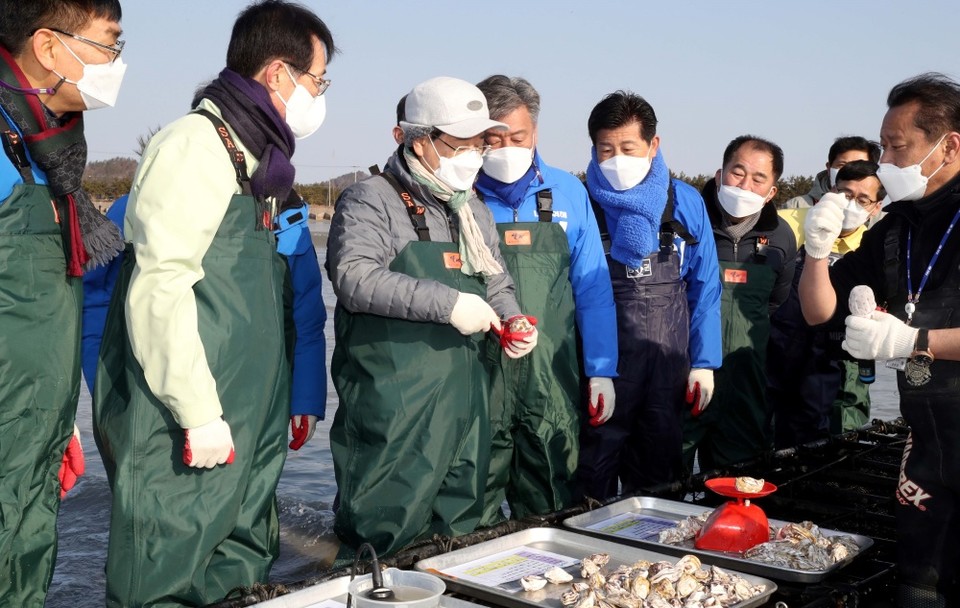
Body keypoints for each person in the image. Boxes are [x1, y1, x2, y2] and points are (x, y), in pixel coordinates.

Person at [92, 2, 336, 605]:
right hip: (186, 416)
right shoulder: (194, 147)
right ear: (279, 73)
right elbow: (160, 287)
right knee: (165, 568)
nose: (320, 95)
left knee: (242, 563)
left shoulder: (260, 163)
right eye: (318, 80)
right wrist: (197, 411)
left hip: (249, 412)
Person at [328, 76, 534, 558]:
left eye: (480, 145)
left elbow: (497, 282)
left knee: (460, 534)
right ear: (418, 141)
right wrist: (449, 304)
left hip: (466, 404)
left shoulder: (472, 209)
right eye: (462, 145)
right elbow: (354, 277)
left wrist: (513, 320)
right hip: (396, 411)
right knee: (384, 538)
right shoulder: (370, 199)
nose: (475, 156)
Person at [799, 72, 960, 607]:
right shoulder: (895, 227)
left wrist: (915, 340)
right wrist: (817, 250)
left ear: (948, 145)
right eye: (882, 146)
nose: (884, 160)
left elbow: (911, 339)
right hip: (928, 440)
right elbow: (819, 311)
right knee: (919, 585)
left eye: (897, 146)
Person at [0, 1, 126, 603]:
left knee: (25, 558)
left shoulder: (47, 153)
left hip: (33, 420)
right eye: (108, 44)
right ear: (50, 46)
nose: (116, 63)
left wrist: (58, 417)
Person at [472, 75, 617, 522]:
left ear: (535, 132)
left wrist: (602, 370)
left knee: (552, 495)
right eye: (494, 139)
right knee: (470, 494)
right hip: (477, 374)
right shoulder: (459, 196)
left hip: (551, 375)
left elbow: (593, 289)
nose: (506, 148)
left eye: (517, 137)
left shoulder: (569, 192)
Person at [578, 91, 722, 499]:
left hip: (666, 367)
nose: (616, 159)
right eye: (606, 149)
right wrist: (597, 371)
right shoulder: (582, 200)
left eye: (628, 148)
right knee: (592, 472)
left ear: (653, 145)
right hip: (601, 366)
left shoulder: (685, 202)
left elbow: (705, 286)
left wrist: (704, 362)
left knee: (660, 479)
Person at [682, 135, 797, 471]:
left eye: (758, 179)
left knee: (737, 486)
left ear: (772, 192)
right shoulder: (686, 224)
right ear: (720, 174)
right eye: (738, 172)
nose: (745, 185)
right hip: (683, 381)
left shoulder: (782, 238)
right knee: (665, 481)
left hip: (745, 391)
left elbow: (775, 305)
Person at [770, 161, 885, 447]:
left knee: (835, 434)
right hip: (783, 353)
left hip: (841, 359)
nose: (851, 205)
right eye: (845, 195)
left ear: (875, 207)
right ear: (831, 191)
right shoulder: (793, 229)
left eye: (863, 200)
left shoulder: (874, 248)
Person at [781, 135, 881, 209]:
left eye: (860, 167)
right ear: (829, 168)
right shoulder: (796, 206)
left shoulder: (881, 220)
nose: (850, 171)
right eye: (842, 165)